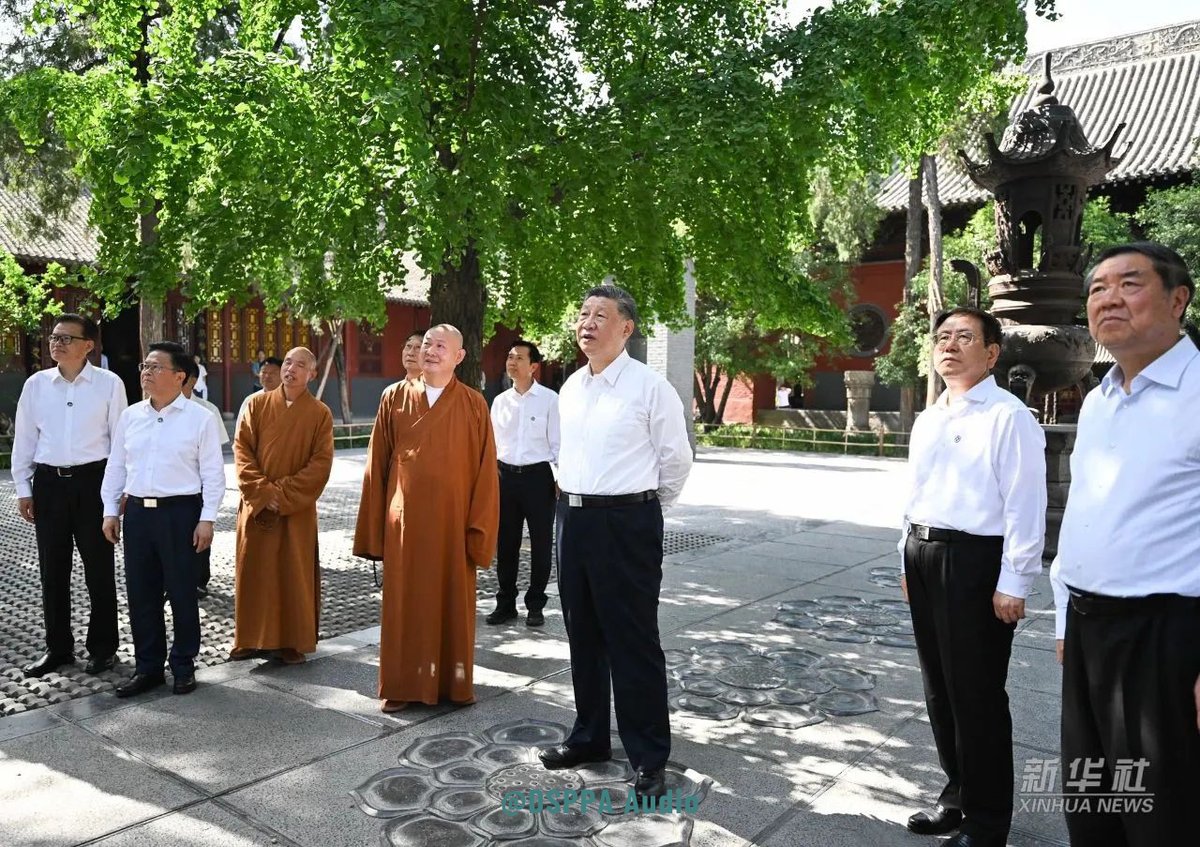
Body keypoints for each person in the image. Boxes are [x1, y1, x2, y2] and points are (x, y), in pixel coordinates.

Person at [1050, 242, 1200, 845]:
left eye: (1129, 284)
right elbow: (1087, 512)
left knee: (1163, 818)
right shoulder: (1098, 400)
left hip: (1166, 636)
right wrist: (1065, 614)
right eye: (1097, 289)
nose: (1108, 299)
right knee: (1093, 809)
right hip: (1089, 628)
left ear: (1178, 299)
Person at [898, 306, 1046, 847]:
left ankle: (987, 822)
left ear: (991, 353)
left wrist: (1015, 580)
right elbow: (915, 492)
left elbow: (1025, 503)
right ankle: (957, 795)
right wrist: (904, 555)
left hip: (975, 562)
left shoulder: (1008, 416)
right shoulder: (931, 417)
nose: (949, 345)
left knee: (977, 693)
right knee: (939, 689)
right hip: (924, 553)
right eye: (942, 337)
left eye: (964, 337)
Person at [538, 285, 692, 803]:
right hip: (573, 520)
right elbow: (559, 452)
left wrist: (641, 508)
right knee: (582, 634)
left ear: (626, 328)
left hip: (627, 522)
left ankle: (648, 755)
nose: (587, 323)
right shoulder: (571, 387)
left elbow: (676, 460)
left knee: (632, 640)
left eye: (600, 315)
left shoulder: (650, 387)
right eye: (583, 313)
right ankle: (589, 737)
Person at [353, 324, 499, 712]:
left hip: (453, 523)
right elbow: (376, 466)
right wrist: (373, 531)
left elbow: (485, 473)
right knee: (405, 605)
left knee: (452, 605)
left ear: (459, 356)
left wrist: (479, 529)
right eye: (427, 344)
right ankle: (401, 686)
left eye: (440, 346)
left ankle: (453, 685)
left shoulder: (474, 404)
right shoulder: (393, 397)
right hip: (406, 523)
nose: (430, 351)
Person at [100, 341, 226, 697]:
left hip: (181, 513)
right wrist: (110, 510)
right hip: (138, 513)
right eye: (145, 366)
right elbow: (116, 466)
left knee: (183, 592)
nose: (147, 372)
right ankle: (148, 667)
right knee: (142, 593)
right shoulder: (130, 417)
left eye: (156, 367)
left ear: (179, 376)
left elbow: (213, 475)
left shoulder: (200, 418)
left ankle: (183, 665)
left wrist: (207, 519)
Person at [12, 313, 127, 678]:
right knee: (53, 571)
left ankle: (103, 648)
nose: (56, 343)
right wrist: (23, 488)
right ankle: (58, 648)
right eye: (54, 337)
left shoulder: (109, 384)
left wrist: (115, 496)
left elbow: (120, 444)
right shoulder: (36, 384)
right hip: (49, 485)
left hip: (93, 484)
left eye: (66, 338)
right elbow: (24, 439)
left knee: (99, 570)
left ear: (88, 345)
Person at [231, 347, 333, 665]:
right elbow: (241, 450)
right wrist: (263, 492)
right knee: (254, 570)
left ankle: (291, 640)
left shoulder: (320, 413)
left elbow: (321, 464)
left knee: (293, 572)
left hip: (295, 509)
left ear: (312, 374)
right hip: (257, 505)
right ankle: (250, 638)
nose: (291, 369)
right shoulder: (256, 404)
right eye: (288, 362)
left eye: (300, 365)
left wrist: (283, 494)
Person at [487, 340, 560, 628]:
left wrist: (560, 478)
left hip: (538, 478)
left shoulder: (550, 400)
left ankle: (535, 604)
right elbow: (492, 444)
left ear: (533, 366)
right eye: (509, 356)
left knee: (541, 543)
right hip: (504, 478)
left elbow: (558, 443)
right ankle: (505, 603)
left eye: (519, 357)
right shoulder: (500, 401)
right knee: (506, 544)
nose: (512, 362)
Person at [182, 356, 230, 598]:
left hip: (198, 485)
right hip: (169, 488)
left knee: (199, 534)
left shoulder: (207, 411)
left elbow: (215, 455)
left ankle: (199, 580)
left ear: (191, 380)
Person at [235, 356, 283, 433]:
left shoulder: (290, 398)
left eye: (273, 373)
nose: (267, 376)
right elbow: (241, 429)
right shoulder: (250, 400)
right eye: (264, 372)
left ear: (283, 375)